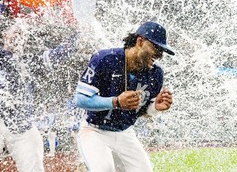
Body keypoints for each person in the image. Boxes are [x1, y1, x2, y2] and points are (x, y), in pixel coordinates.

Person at [0, 0, 77, 172]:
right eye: (15, 32)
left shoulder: (31, 62)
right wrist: (2, 5)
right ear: (5, 35)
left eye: (22, 34)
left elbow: (62, 52)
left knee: (34, 168)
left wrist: (76, 30)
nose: (18, 36)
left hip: (23, 126)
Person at [74, 21, 175, 172]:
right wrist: (115, 102)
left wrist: (155, 107)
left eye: (162, 51)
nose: (159, 55)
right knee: (103, 169)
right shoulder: (105, 58)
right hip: (94, 130)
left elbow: (142, 111)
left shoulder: (156, 74)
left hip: (124, 133)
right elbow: (80, 99)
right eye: (156, 47)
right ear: (140, 41)